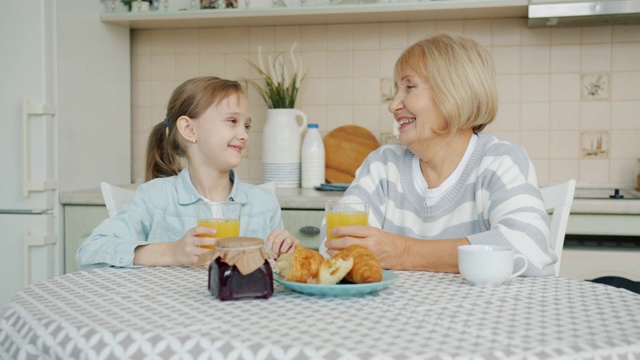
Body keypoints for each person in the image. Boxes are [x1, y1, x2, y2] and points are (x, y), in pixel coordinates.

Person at [319, 33, 556, 277]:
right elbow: (336, 241)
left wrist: (402, 252)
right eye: (396, 90)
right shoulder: (383, 164)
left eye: (409, 87)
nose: (393, 105)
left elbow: (528, 247)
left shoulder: (500, 162)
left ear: (454, 92)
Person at [77, 76, 298, 269]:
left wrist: (287, 254)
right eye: (232, 121)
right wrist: (172, 252)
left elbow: (279, 269)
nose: (244, 135)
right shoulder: (155, 198)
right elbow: (89, 252)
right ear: (189, 129)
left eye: (246, 126)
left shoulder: (263, 203)